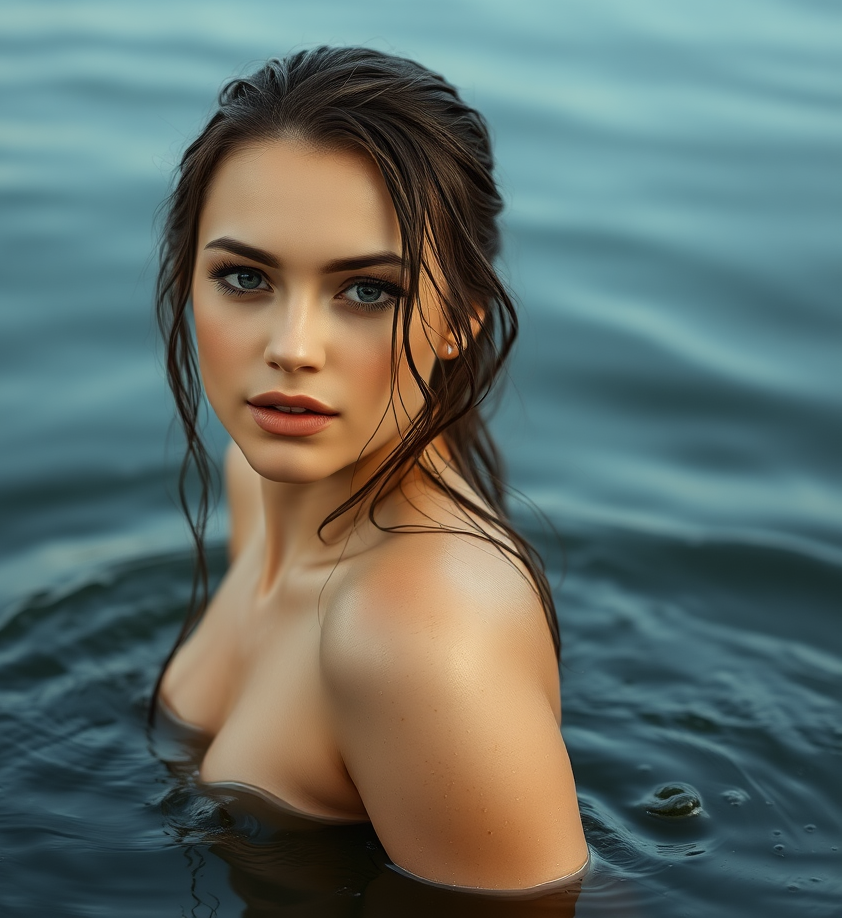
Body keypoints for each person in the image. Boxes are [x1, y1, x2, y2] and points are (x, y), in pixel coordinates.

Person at [150, 46, 589, 895]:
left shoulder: (416, 634)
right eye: (245, 277)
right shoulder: (264, 476)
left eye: (367, 292)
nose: (291, 349)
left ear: (461, 317)